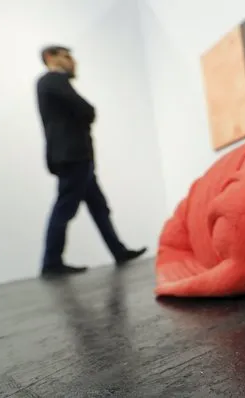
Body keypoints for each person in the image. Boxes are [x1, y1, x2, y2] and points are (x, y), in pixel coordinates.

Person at [36, 45, 146, 277]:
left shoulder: (52, 83)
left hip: (77, 156)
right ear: (50, 58)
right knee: (65, 207)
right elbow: (85, 109)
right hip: (72, 155)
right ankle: (51, 263)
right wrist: (89, 111)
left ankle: (118, 250)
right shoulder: (52, 80)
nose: (72, 62)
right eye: (66, 57)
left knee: (98, 206)